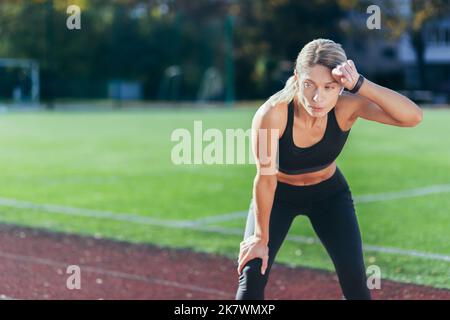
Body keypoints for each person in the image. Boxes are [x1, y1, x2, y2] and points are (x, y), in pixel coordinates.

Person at [235, 38, 423, 300]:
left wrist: (360, 85)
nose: (317, 97)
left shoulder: (347, 106)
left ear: (340, 85)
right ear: (297, 77)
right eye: (309, 84)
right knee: (251, 281)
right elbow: (265, 180)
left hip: (329, 196)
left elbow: (412, 117)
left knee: (356, 285)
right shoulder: (273, 113)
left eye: (329, 87)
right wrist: (259, 238)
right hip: (278, 195)